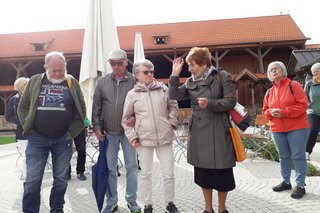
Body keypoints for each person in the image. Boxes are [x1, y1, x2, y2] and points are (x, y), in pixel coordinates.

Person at [169, 47, 237, 213]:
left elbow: (231, 101)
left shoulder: (221, 76)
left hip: (219, 129)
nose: (190, 69)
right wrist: (175, 75)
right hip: (199, 130)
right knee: (203, 173)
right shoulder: (190, 81)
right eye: (189, 65)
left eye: (192, 65)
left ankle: (222, 209)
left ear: (204, 63)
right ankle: (208, 209)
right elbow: (174, 96)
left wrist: (210, 104)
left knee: (222, 173)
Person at [17, 51, 87, 213]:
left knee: (61, 179)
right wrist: (28, 126)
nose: (58, 73)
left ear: (65, 67)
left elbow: (81, 109)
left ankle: (57, 208)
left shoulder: (72, 82)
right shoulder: (35, 81)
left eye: (61, 69)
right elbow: (22, 106)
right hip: (37, 138)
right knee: (33, 180)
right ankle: (30, 210)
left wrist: (72, 132)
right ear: (45, 67)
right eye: (54, 70)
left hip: (63, 139)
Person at [122, 59, 180, 213]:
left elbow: (173, 106)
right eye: (145, 72)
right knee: (146, 174)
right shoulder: (132, 94)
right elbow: (126, 120)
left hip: (165, 137)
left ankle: (169, 203)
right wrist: (132, 136)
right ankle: (148, 204)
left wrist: (171, 123)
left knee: (169, 173)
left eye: (151, 72)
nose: (149, 74)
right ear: (136, 76)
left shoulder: (163, 89)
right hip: (144, 140)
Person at [92, 49, 141, 213]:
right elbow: (96, 107)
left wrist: (137, 119)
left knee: (132, 167)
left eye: (119, 63)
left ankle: (132, 200)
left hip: (129, 133)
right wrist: (97, 127)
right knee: (110, 169)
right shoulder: (102, 82)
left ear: (126, 62)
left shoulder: (135, 81)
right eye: (112, 64)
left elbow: (142, 107)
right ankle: (111, 201)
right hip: (108, 133)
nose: (116, 67)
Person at [263, 61, 310, 199]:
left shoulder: (293, 85)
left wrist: (284, 112)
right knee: (283, 156)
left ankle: (300, 185)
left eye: (276, 69)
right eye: (271, 70)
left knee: (298, 156)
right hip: (277, 128)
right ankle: (286, 182)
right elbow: (265, 110)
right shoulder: (269, 91)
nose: (273, 71)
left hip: (297, 127)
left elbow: (303, 105)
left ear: (283, 71)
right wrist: (271, 112)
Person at [5, 77, 29, 179]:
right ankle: (27, 176)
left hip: (37, 131)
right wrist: (22, 122)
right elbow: (8, 116)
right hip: (22, 133)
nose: (29, 86)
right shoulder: (13, 100)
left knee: (37, 154)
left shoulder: (34, 97)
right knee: (26, 155)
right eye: (27, 84)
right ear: (21, 87)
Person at [305, 62, 320, 160]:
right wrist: (309, 106)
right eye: (313, 72)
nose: (314, 73)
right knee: (313, 130)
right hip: (313, 112)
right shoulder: (309, 84)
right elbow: (303, 98)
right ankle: (307, 151)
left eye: (317, 71)